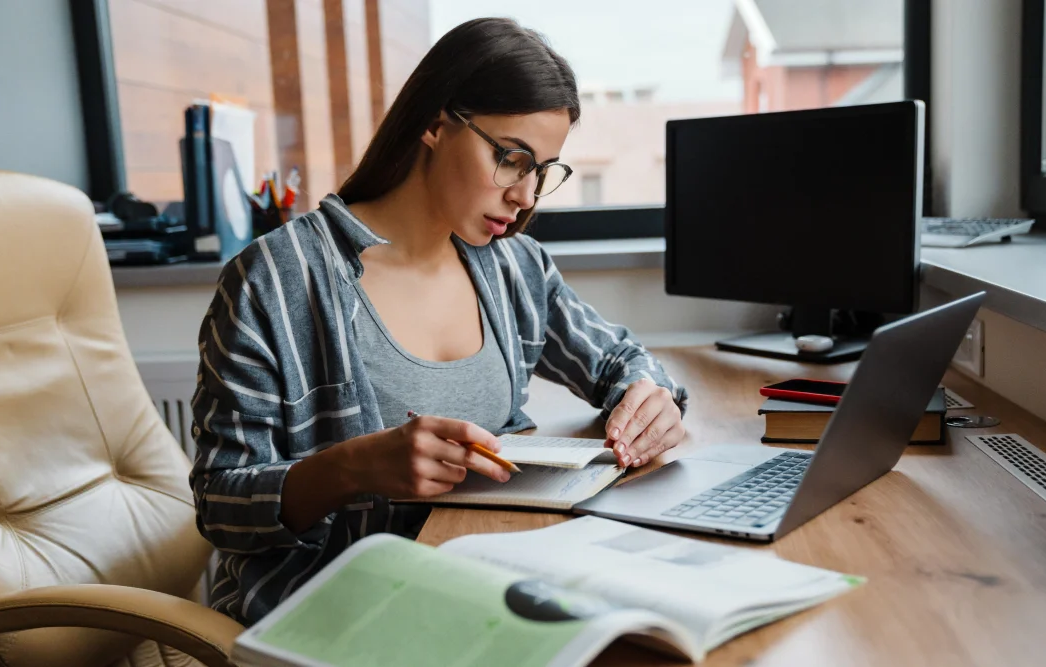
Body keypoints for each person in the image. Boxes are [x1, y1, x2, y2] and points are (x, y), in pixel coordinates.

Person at [189, 17, 688, 626]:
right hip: (338, 616)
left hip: (489, 586)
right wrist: (356, 468)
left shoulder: (514, 268)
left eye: (544, 171)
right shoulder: (275, 280)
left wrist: (650, 397)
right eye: (512, 159)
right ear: (434, 123)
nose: (526, 196)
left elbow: (619, 360)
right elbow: (220, 503)